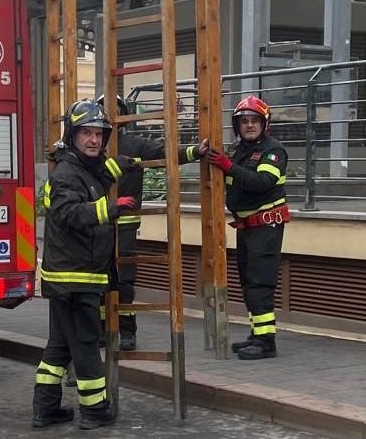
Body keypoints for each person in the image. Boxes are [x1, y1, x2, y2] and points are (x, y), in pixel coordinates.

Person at [32, 99, 140, 430]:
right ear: (73, 136)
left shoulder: (81, 169)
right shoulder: (67, 174)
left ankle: (45, 409)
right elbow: (68, 214)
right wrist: (110, 208)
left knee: (59, 348)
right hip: (75, 280)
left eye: (98, 134)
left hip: (69, 277)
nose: (94, 140)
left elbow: (99, 174)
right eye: (86, 134)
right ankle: (94, 411)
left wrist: (128, 164)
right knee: (86, 347)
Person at [97, 94, 208, 351]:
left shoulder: (134, 145)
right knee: (98, 279)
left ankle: (126, 331)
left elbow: (164, 153)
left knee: (124, 280)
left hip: (124, 225)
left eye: (114, 110)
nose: (109, 114)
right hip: (96, 224)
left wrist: (194, 152)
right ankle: (103, 329)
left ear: (124, 117)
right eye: (103, 109)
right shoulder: (91, 145)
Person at [205, 95, 289, 361]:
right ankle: (256, 335)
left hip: (265, 226)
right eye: (244, 121)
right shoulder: (237, 150)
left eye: (254, 121)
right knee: (248, 282)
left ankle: (266, 342)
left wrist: (228, 167)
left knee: (260, 283)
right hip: (247, 227)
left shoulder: (273, 151)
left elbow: (262, 182)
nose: (249, 125)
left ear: (264, 124)